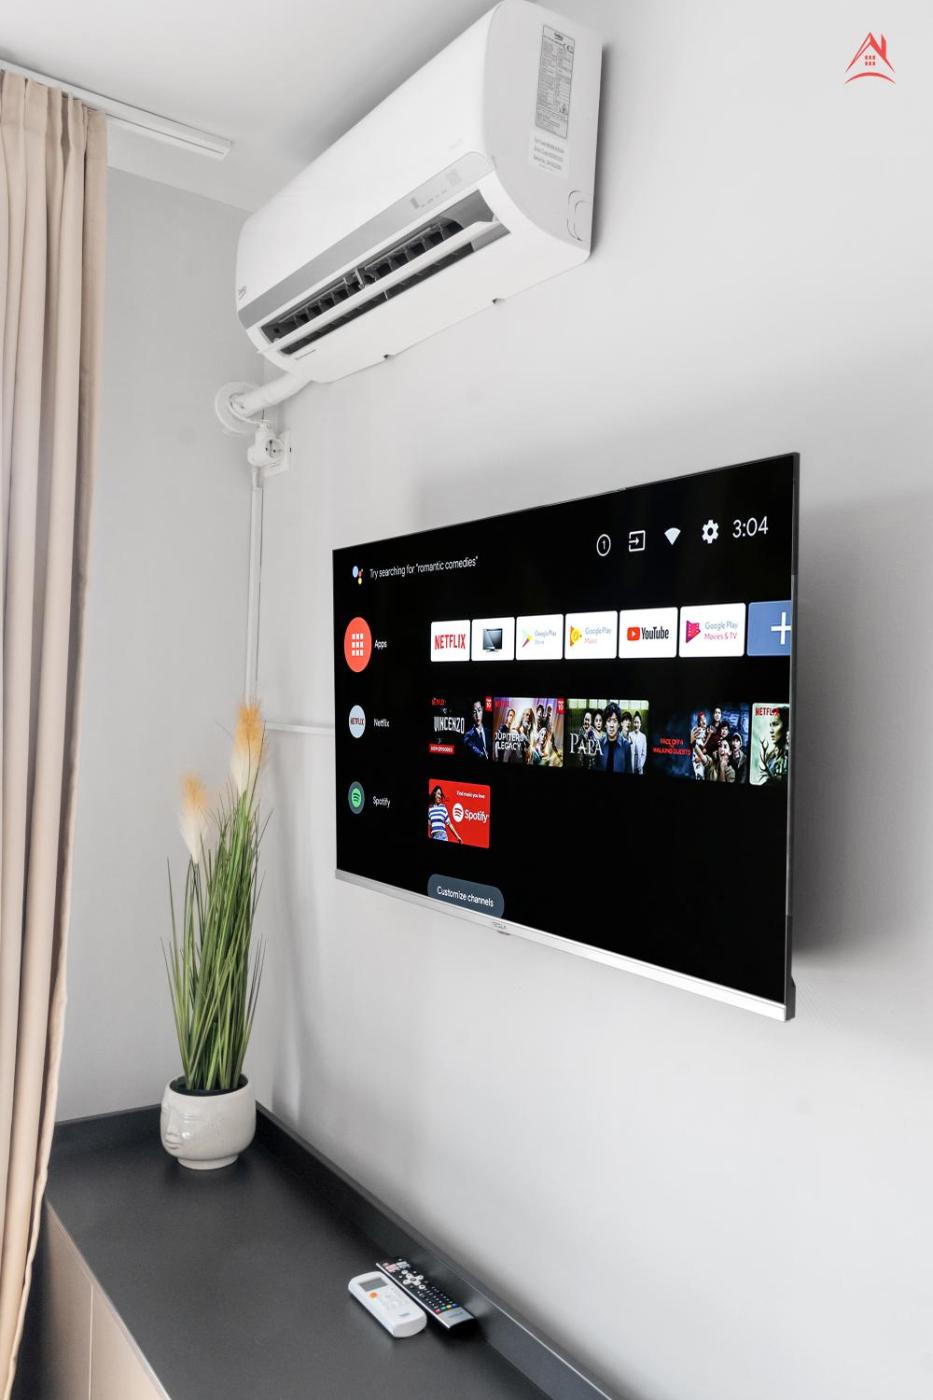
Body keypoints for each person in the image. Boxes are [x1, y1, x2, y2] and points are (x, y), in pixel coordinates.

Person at [597, 702, 634, 773]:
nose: (611, 725)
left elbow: (629, 770)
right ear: (605, 724)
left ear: (619, 724)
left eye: (614, 721)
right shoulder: (599, 744)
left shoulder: (626, 746)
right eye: (608, 721)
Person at [757, 706, 789, 783]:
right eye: (770, 725)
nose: (771, 730)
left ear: (786, 725)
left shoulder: (791, 757)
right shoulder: (771, 756)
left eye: (775, 724)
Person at [690, 710, 708, 780]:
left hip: (706, 759)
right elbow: (692, 742)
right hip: (697, 760)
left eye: (704, 719)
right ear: (698, 722)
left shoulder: (708, 730)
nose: (703, 721)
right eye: (701, 720)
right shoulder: (695, 730)